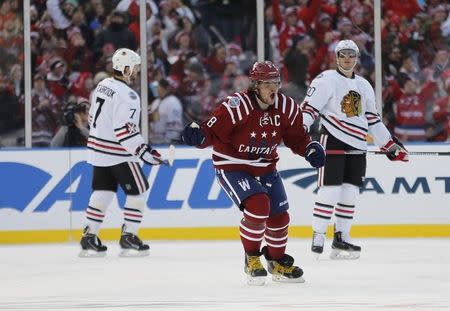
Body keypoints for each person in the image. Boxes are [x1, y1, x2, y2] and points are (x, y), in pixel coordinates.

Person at [181, 60, 326, 285]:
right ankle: (251, 259)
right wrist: (198, 137)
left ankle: (276, 262)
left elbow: (297, 138)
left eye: (275, 82)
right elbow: (210, 132)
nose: (273, 88)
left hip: (266, 167)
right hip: (232, 166)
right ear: (255, 85)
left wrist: (310, 148)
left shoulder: (287, 107)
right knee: (259, 206)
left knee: (280, 216)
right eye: (267, 83)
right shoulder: (236, 105)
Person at [300, 40, 409, 260]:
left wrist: (389, 145)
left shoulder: (364, 85)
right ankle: (318, 235)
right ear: (336, 57)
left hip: (358, 144)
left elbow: (372, 120)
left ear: (357, 57)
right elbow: (309, 109)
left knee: (350, 191)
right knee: (330, 190)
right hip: (332, 139)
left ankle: (342, 238)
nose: (347, 59)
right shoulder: (325, 80)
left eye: (351, 55)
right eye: (343, 55)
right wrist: (299, 133)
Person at [79, 48, 164, 257]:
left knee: (103, 191)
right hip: (118, 153)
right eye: (134, 68)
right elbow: (124, 131)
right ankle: (129, 236)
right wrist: (145, 153)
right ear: (125, 69)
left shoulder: (102, 85)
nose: (136, 72)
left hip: (98, 150)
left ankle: (89, 236)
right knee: (139, 192)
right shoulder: (129, 96)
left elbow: (91, 118)